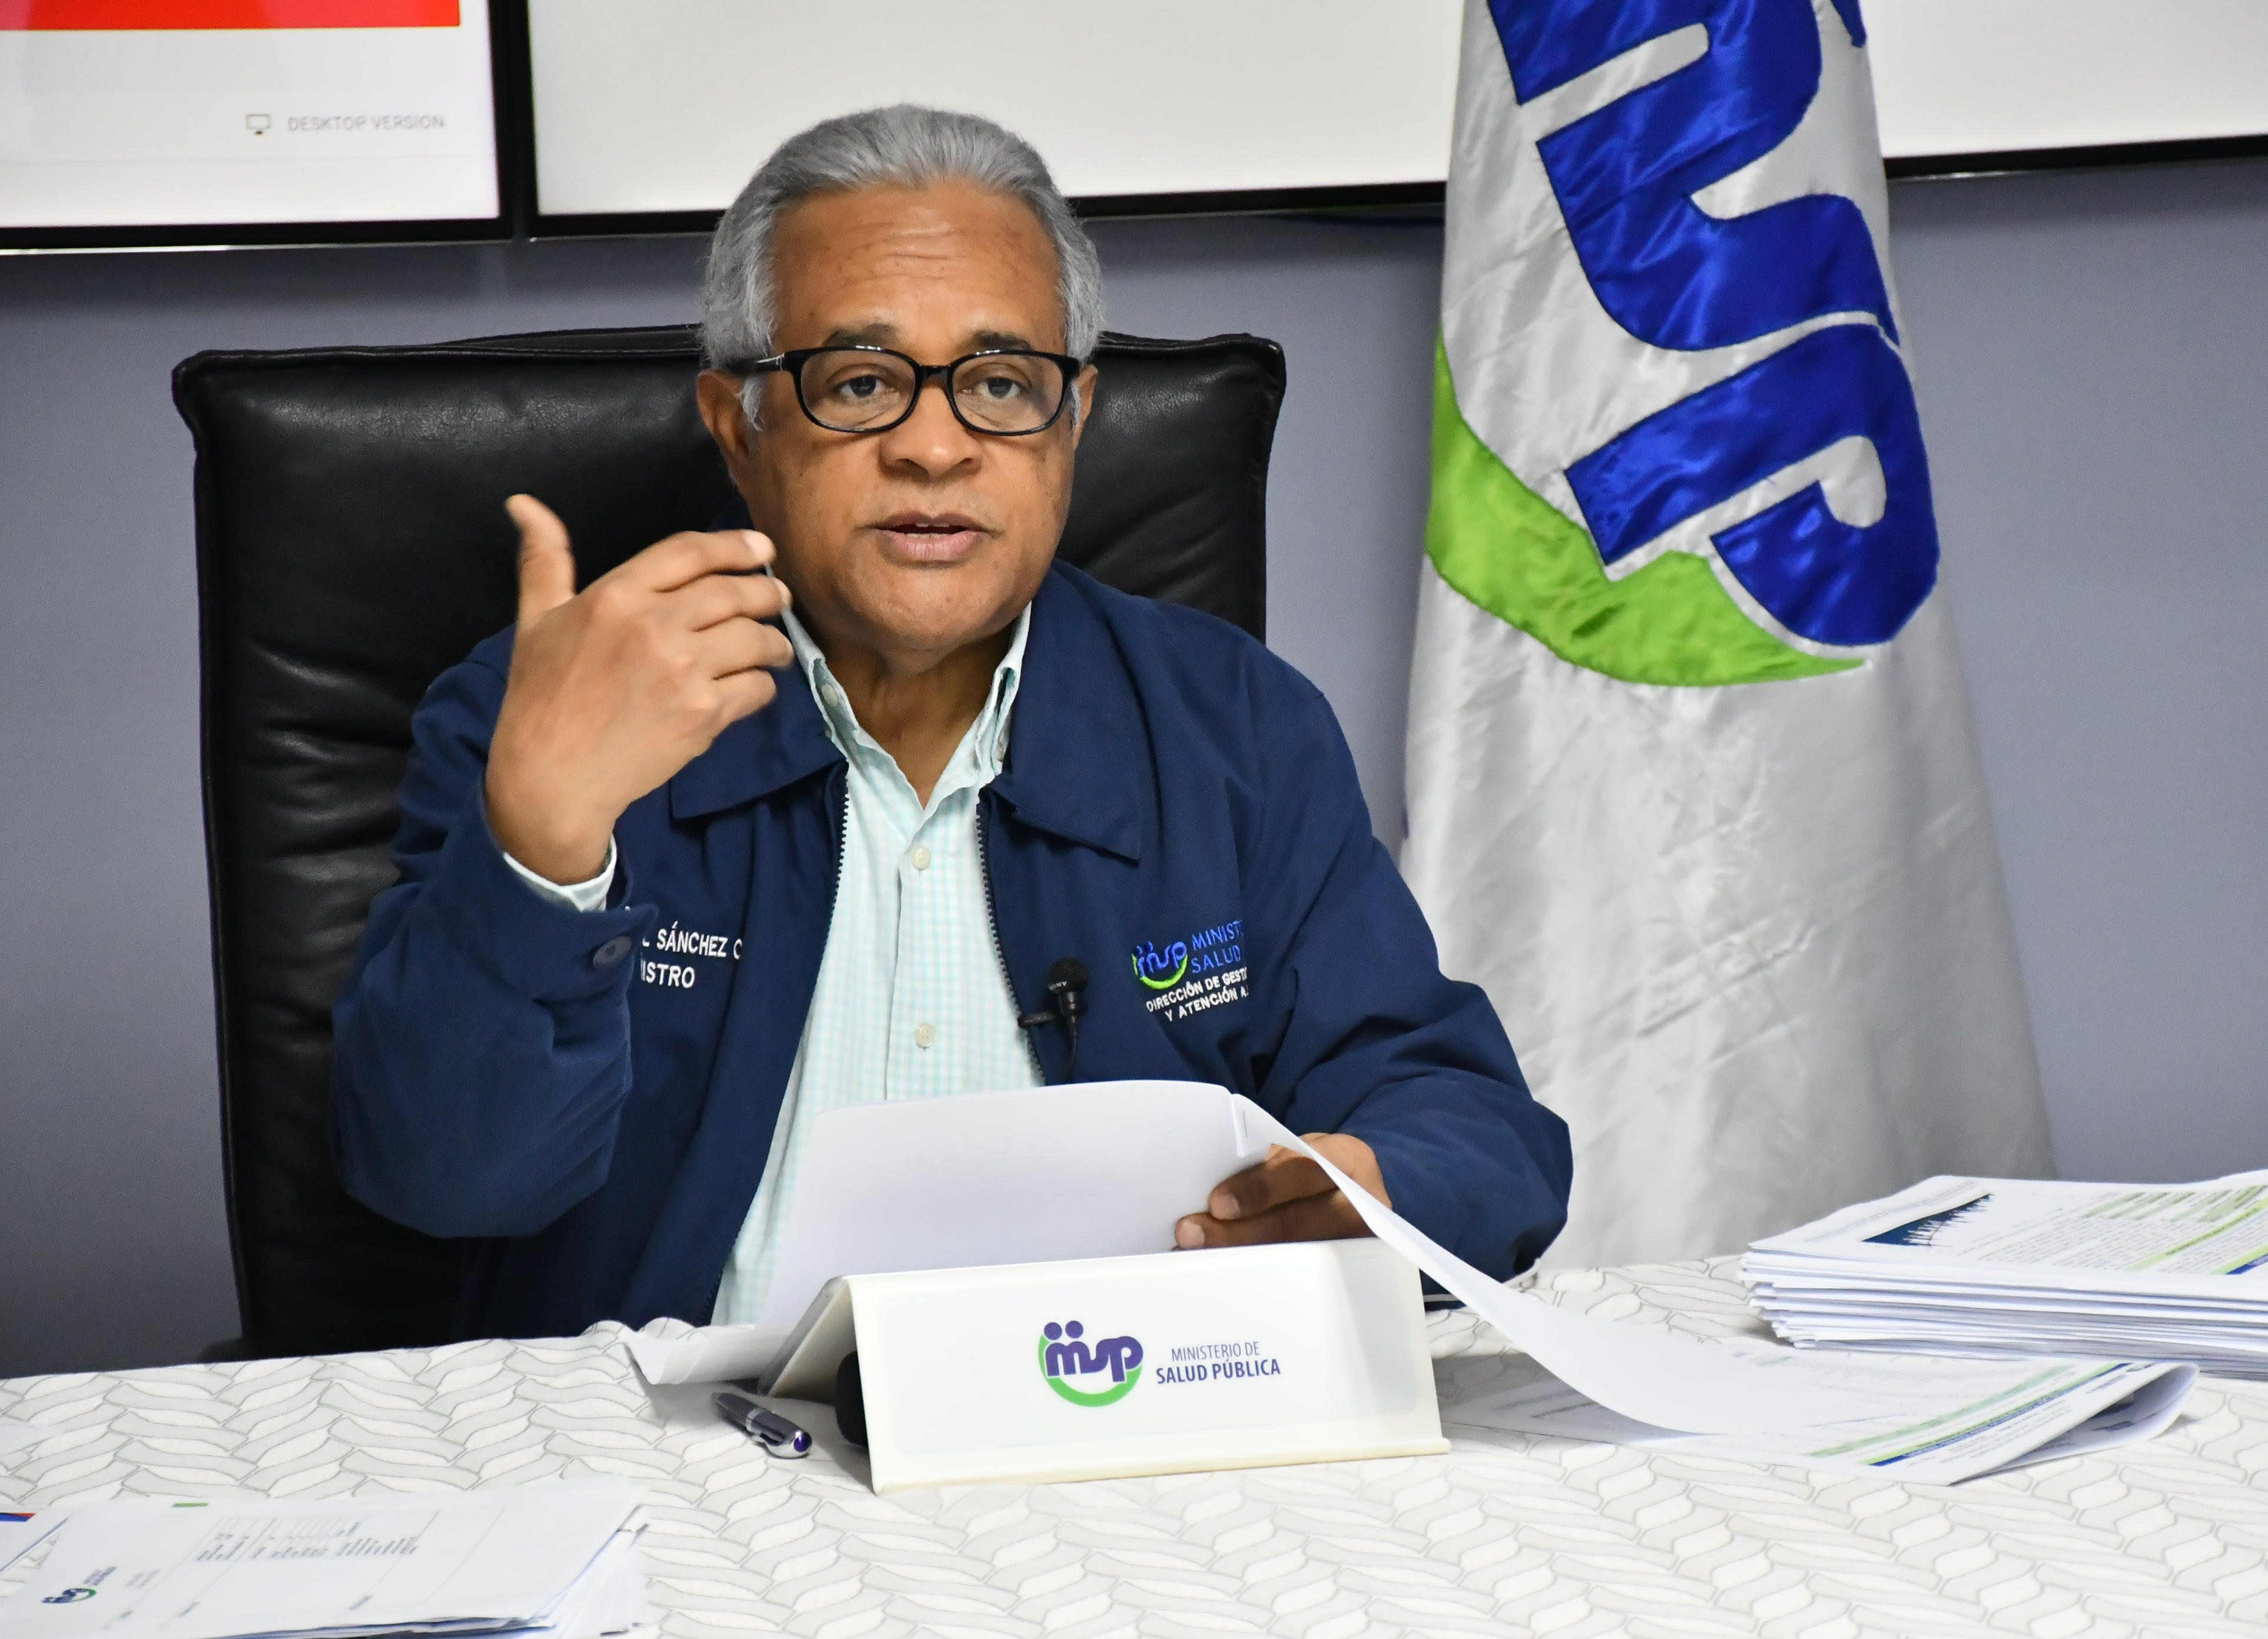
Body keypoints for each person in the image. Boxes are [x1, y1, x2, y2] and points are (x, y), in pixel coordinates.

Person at [331, 105, 1571, 1341]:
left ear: (1073, 420)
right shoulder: (546, 712)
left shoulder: (1235, 725)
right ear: (737, 428)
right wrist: (543, 846)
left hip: (1126, 1413)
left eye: (1001, 385)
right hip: (693, 1433)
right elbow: (445, 1181)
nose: (935, 448)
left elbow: (1476, 1133)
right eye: (863, 383)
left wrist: (1375, 1191)